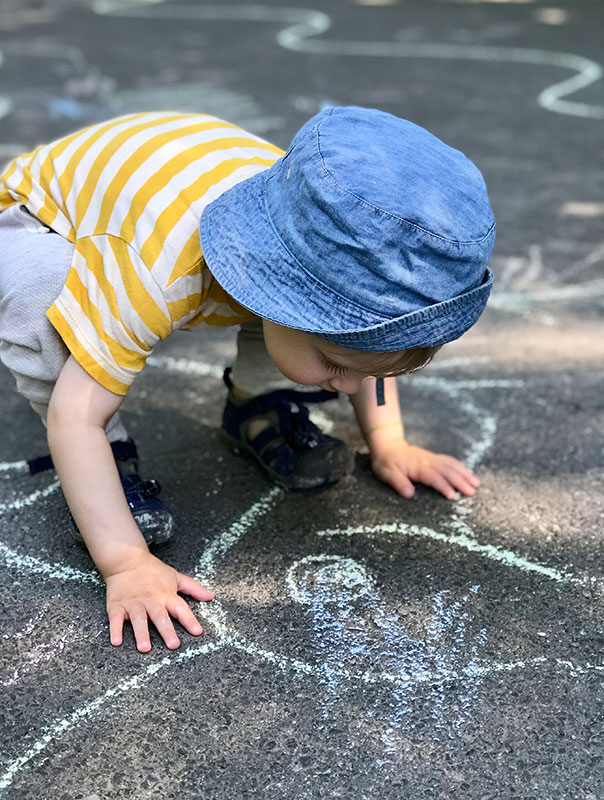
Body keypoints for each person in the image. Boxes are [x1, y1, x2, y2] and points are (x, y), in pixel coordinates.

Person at [0, 106, 495, 652]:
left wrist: (389, 441)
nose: (348, 388)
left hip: (198, 199)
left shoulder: (325, 236)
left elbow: (369, 347)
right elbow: (76, 417)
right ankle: (107, 470)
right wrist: (124, 562)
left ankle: (260, 407)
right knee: (37, 295)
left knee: (320, 338)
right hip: (42, 219)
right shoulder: (156, 271)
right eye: (337, 367)